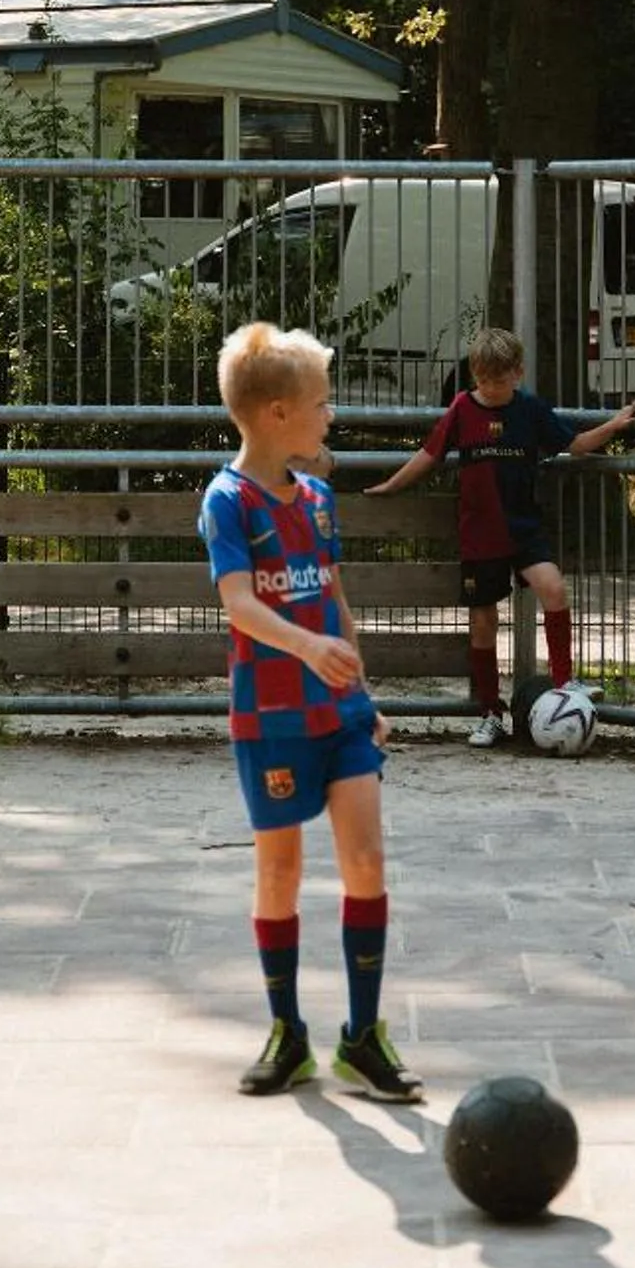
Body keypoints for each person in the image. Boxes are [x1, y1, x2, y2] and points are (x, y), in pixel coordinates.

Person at [199, 319, 424, 1104]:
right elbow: (238, 605)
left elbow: (333, 598)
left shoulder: (321, 499)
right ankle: (287, 1032)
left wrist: (360, 687)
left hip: (341, 715)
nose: (331, 416)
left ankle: (362, 1037)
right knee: (281, 870)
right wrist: (303, 647)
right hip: (273, 718)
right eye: (322, 404)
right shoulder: (227, 501)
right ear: (274, 413)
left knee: (365, 860)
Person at [366, 324, 635, 746]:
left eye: (499, 379)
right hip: (480, 535)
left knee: (554, 588)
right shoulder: (461, 408)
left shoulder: (530, 410)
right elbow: (429, 454)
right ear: (474, 375)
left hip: (523, 529)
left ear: (518, 373)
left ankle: (566, 682)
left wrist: (614, 425)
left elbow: (575, 443)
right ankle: (490, 710)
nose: (490, 388)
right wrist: (391, 485)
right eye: (483, 380)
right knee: (483, 621)